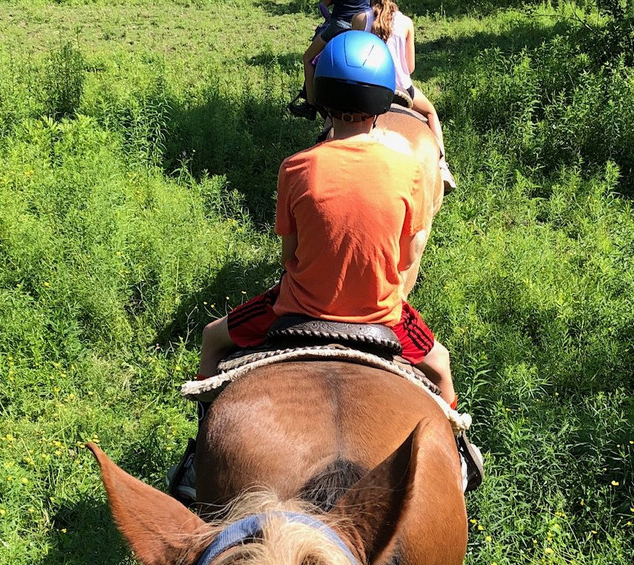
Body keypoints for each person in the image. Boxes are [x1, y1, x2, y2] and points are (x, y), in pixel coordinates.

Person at [170, 31, 481, 500]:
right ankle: (458, 457)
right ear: (381, 101)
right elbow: (409, 257)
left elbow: (289, 255)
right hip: (383, 318)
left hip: (298, 313)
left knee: (213, 340)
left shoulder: (296, 167)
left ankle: (199, 461)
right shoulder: (414, 172)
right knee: (440, 364)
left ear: (324, 100)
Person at [358, 0, 456, 191]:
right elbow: (409, 68)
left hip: (370, 87)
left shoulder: (360, 19)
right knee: (430, 113)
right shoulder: (406, 23)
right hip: (401, 88)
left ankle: (326, 142)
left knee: (336, 112)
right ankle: (442, 166)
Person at [287, 0, 372, 118]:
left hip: (339, 25)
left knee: (307, 58)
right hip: (364, 24)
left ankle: (310, 105)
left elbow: (323, 4)